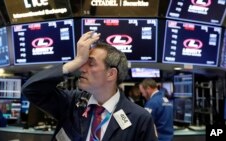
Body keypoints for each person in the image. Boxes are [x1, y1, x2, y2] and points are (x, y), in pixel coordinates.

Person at [22, 31, 157, 141]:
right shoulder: (72, 103)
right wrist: (76, 61)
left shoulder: (139, 118)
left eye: (90, 63)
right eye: (83, 62)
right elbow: (31, 89)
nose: (81, 68)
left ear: (111, 74)